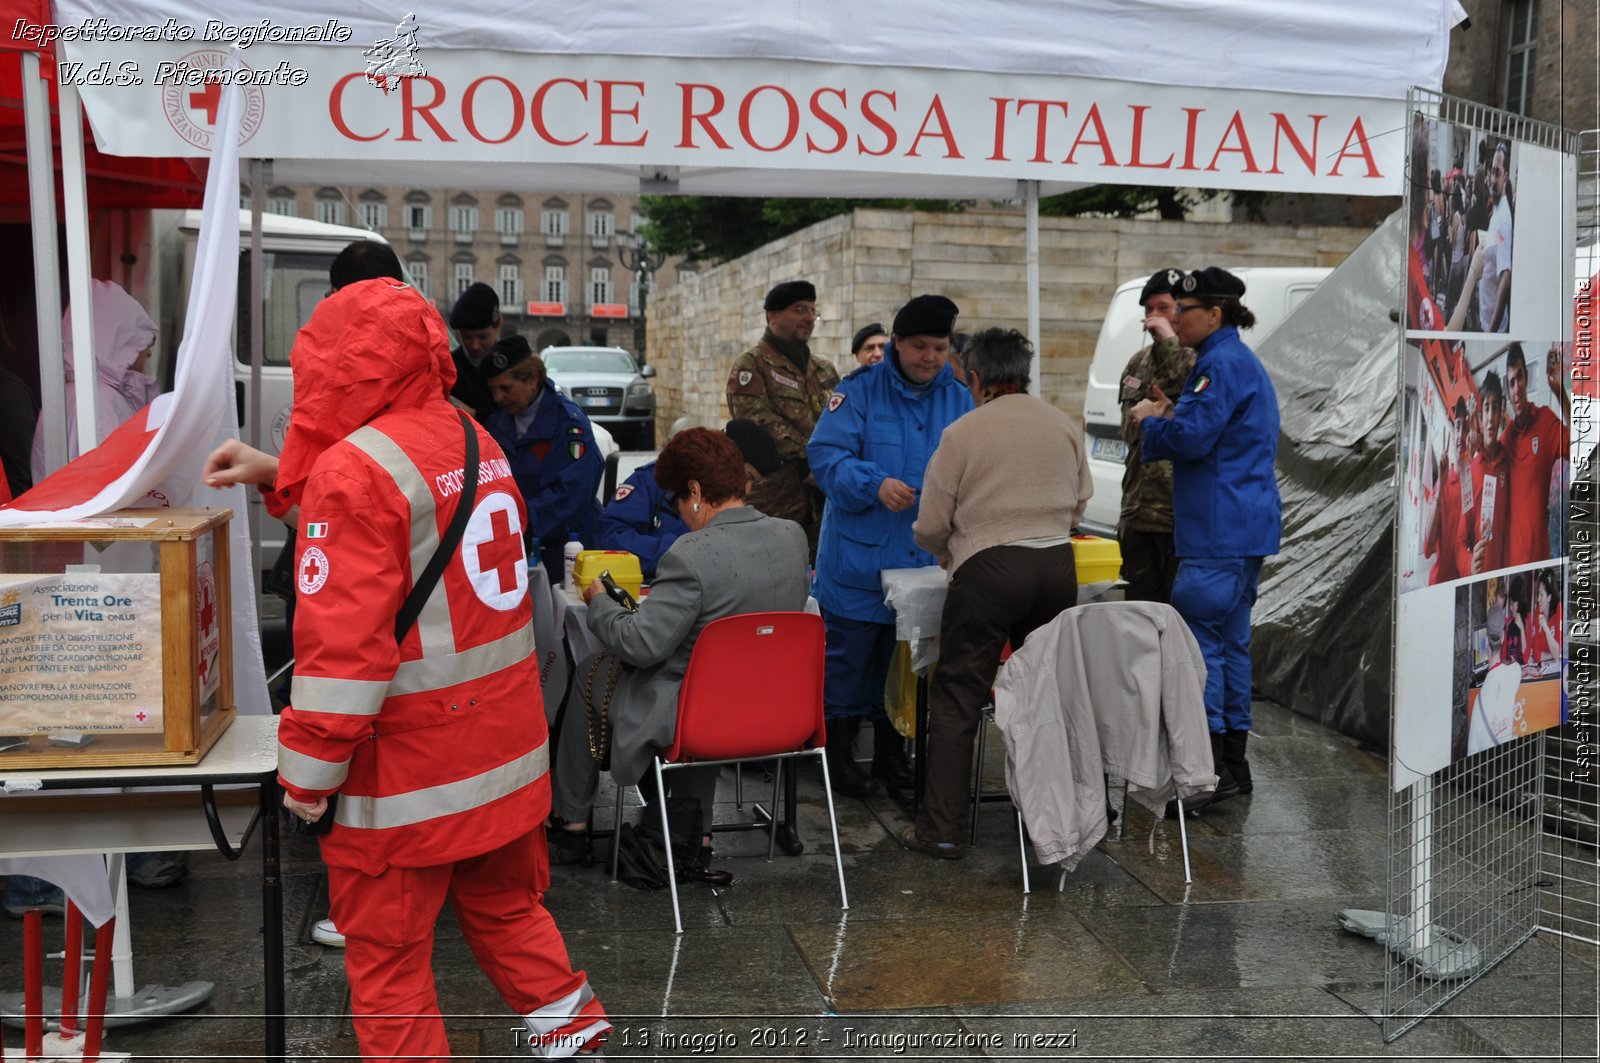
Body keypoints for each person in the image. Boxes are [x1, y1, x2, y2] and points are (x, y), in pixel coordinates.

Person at [200, 277, 609, 1060]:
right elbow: (409, 530)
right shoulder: (469, 433)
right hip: (503, 754)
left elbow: (343, 660)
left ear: (335, 365)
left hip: (407, 775)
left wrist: (308, 781)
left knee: (388, 963)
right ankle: (578, 1042)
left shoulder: (355, 470)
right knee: (512, 915)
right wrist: (275, 474)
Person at [549, 427, 810, 880]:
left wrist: (600, 604)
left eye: (675, 501)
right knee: (703, 678)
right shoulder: (792, 537)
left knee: (594, 669)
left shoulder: (689, 553)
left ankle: (572, 823)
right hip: (780, 708)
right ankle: (695, 831)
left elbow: (641, 644)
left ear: (694, 491)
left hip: (700, 714)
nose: (677, 512)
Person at [903, 328, 1091, 856]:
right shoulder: (1060, 423)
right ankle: (1050, 821)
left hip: (987, 569)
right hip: (1056, 566)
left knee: (960, 695)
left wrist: (946, 549)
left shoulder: (963, 432)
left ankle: (941, 830)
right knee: (1044, 692)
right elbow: (1080, 500)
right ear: (1023, 376)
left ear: (975, 377)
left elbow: (931, 522)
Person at [808, 294, 974, 796]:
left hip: (923, 562)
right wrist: (873, 483)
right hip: (860, 559)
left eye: (939, 347)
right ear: (896, 345)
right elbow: (825, 455)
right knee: (850, 664)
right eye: (919, 346)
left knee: (908, 664)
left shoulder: (960, 398)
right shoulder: (858, 391)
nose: (929, 357)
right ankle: (838, 757)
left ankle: (891, 755)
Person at [1130, 268, 1279, 808]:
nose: (1174, 319)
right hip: (1244, 528)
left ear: (1213, 313)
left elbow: (1192, 438)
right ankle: (1233, 766)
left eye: (1183, 311)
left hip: (1217, 532)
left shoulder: (1216, 364)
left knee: (1202, 649)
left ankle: (1207, 772)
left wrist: (1151, 420)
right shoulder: (1240, 362)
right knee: (1232, 645)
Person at [726, 280, 839, 561]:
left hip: (822, 504)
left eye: (813, 311)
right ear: (772, 315)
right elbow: (756, 422)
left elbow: (842, 422)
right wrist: (806, 465)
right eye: (800, 310)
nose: (809, 318)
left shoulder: (825, 370)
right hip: (774, 502)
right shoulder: (751, 365)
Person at [594, 419, 782, 579]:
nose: (746, 489)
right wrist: (680, 553)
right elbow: (610, 537)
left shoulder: (741, 502)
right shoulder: (660, 478)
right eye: (746, 476)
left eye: (752, 481)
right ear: (724, 459)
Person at [481, 335, 604, 578]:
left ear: (532, 380)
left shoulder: (569, 424)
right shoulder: (496, 424)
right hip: (519, 545)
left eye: (505, 388)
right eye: (493, 389)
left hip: (569, 550)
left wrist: (521, 524)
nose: (497, 398)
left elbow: (573, 492)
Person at [1117, 268, 1197, 603]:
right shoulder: (1138, 363)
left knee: (1181, 621)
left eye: (1163, 308)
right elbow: (1128, 431)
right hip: (1138, 515)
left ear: (1182, 310)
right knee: (1138, 617)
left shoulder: (1200, 359)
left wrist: (1169, 342)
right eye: (1148, 310)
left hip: (1178, 519)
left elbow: (1200, 397)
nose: (1153, 317)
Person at [29, 279, 161, 483]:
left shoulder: (70, 395)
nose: (148, 352)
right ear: (116, 343)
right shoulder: (100, 400)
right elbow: (111, 481)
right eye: (142, 342)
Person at [1500, 342, 1569, 567]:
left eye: (1519, 377)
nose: (1516, 387)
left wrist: (1561, 394)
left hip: (1540, 563)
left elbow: (1582, 445)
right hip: (1509, 566)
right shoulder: (1505, 442)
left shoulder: (1545, 420)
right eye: (1511, 383)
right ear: (1507, 392)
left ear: (1526, 377)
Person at [1466, 370, 1510, 574]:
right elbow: (1459, 539)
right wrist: (1469, 564)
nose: (1491, 416)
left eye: (1495, 408)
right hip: (1479, 576)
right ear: (1481, 418)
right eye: (1486, 409)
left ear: (1502, 413)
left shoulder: (1508, 463)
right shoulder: (1471, 469)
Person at [1425, 397, 1472, 584]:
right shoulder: (1443, 484)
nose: (1461, 435)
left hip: (1466, 586)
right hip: (1440, 586)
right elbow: (1427, 547)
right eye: (1458, 427)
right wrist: (1441, 486)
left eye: (1466, 428)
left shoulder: (1477, 482)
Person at [447, 281, 503, 421]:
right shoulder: (449, 368)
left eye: (483, 337)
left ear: (498, 325)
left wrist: (474, 414)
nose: (475, 345)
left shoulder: (511, 365)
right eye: (467, 337)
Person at [1476, 142, 1513, 333]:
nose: (1492, 178)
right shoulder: (1496, 208)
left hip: (1493, 328)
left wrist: (1491, 331)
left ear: (1506, 176)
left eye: (1497, 173)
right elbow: (1493, 248)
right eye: (1492, 172)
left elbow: (1505, 278)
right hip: (1484, 319)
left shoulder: (1503, 221)